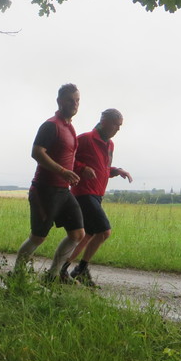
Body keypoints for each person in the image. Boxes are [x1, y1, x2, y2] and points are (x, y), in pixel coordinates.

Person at [14, 83, 85, 282]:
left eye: (77, 100)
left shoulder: (70, 127)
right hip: (44, 190)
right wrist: (62, 171)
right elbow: (37, 152)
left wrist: (77, 171)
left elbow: (66, 157)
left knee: (77, 234)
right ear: (59, 101)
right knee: (38, 237)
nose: (75, 104)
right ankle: (17, 275)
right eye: (70, 100)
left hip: (63, 191)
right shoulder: (51, 125)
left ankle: (52, 276)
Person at [64, 109, 133, 285]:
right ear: (104, 121)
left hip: (97, 194)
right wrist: (82, 168)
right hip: (83, 192)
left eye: (120, 125)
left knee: (87, 235)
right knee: (104, 231)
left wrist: (117, 171)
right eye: (115, 124)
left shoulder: (110, 145)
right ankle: (78, 269)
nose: (118, 129)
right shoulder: (85, 139)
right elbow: (67, 159)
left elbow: (102, 169)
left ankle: (65, 269)